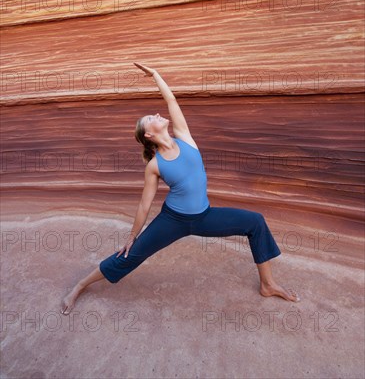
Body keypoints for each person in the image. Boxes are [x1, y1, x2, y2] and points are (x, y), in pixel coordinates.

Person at [61, 63, 300, 315]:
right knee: (132, 256)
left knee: (256, 222)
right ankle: (79, 285)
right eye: (150, 119)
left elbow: (171, 100)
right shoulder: (154, 165)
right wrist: (132, 236)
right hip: (172, 220)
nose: (156, 115)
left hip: (205, 217)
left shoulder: (184, 137)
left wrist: (155, 75)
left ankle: (268, 284)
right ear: (149, 135)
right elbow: (144, 204)